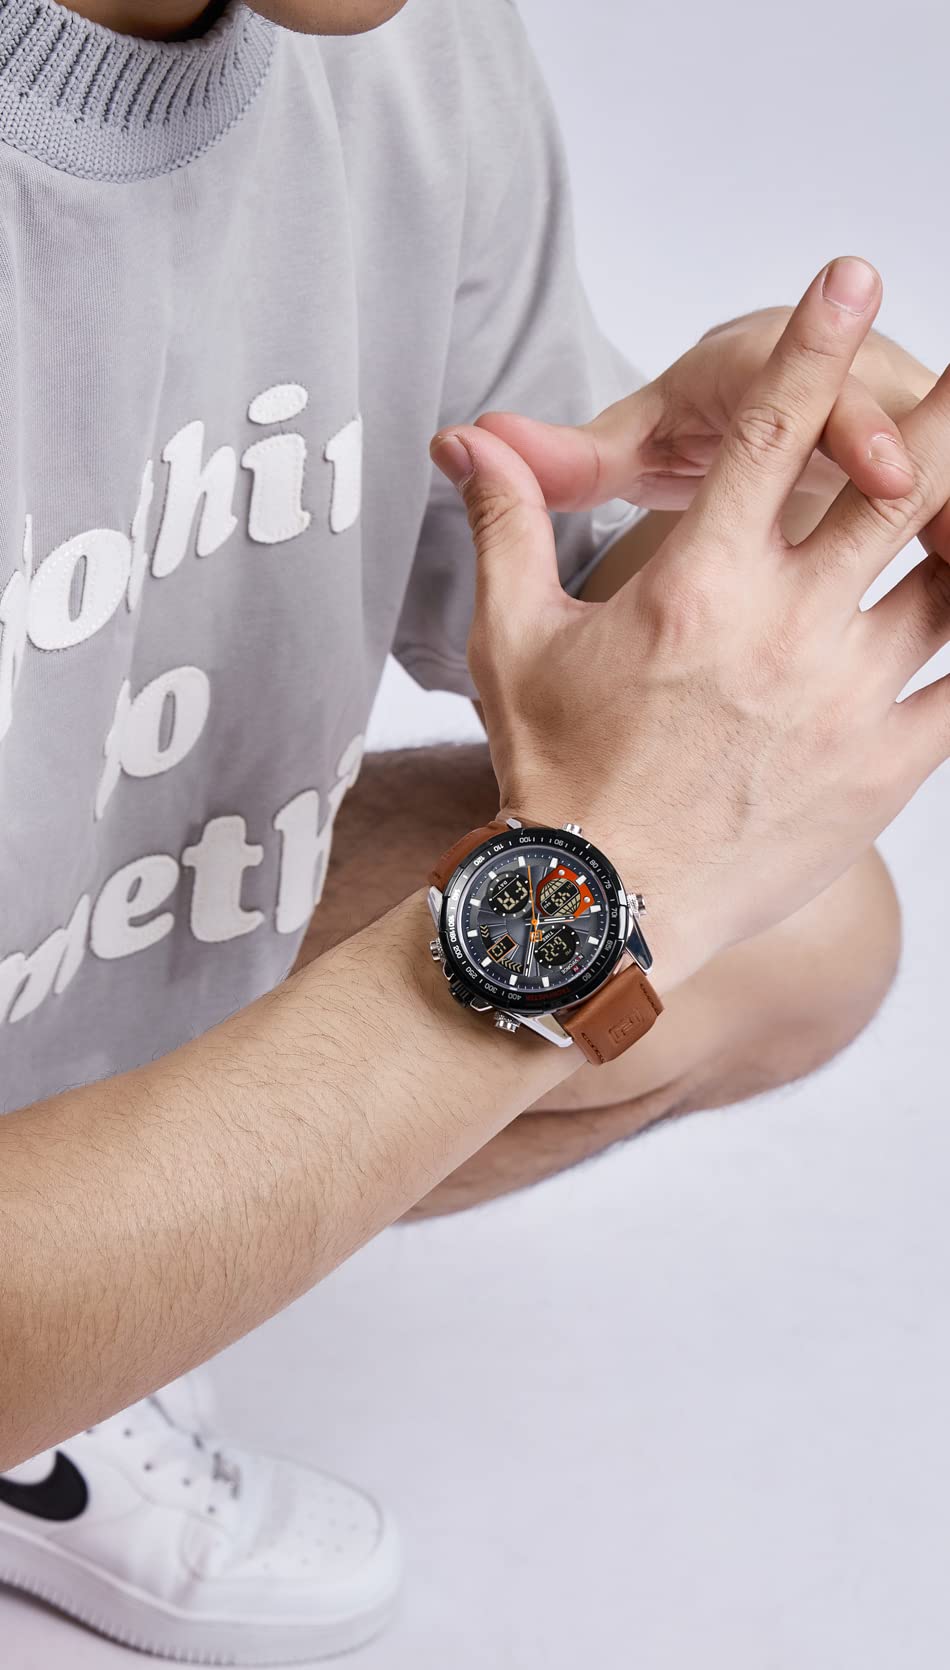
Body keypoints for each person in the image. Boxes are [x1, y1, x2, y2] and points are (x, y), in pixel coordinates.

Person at [0, 0, 942, 1661]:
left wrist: (766, 508)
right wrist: (582, 892)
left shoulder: (397, 46)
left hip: (75, 950)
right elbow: (601, 840)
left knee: (800, 933)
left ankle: (60, 1350)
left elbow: (560, 655)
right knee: (636, 925)